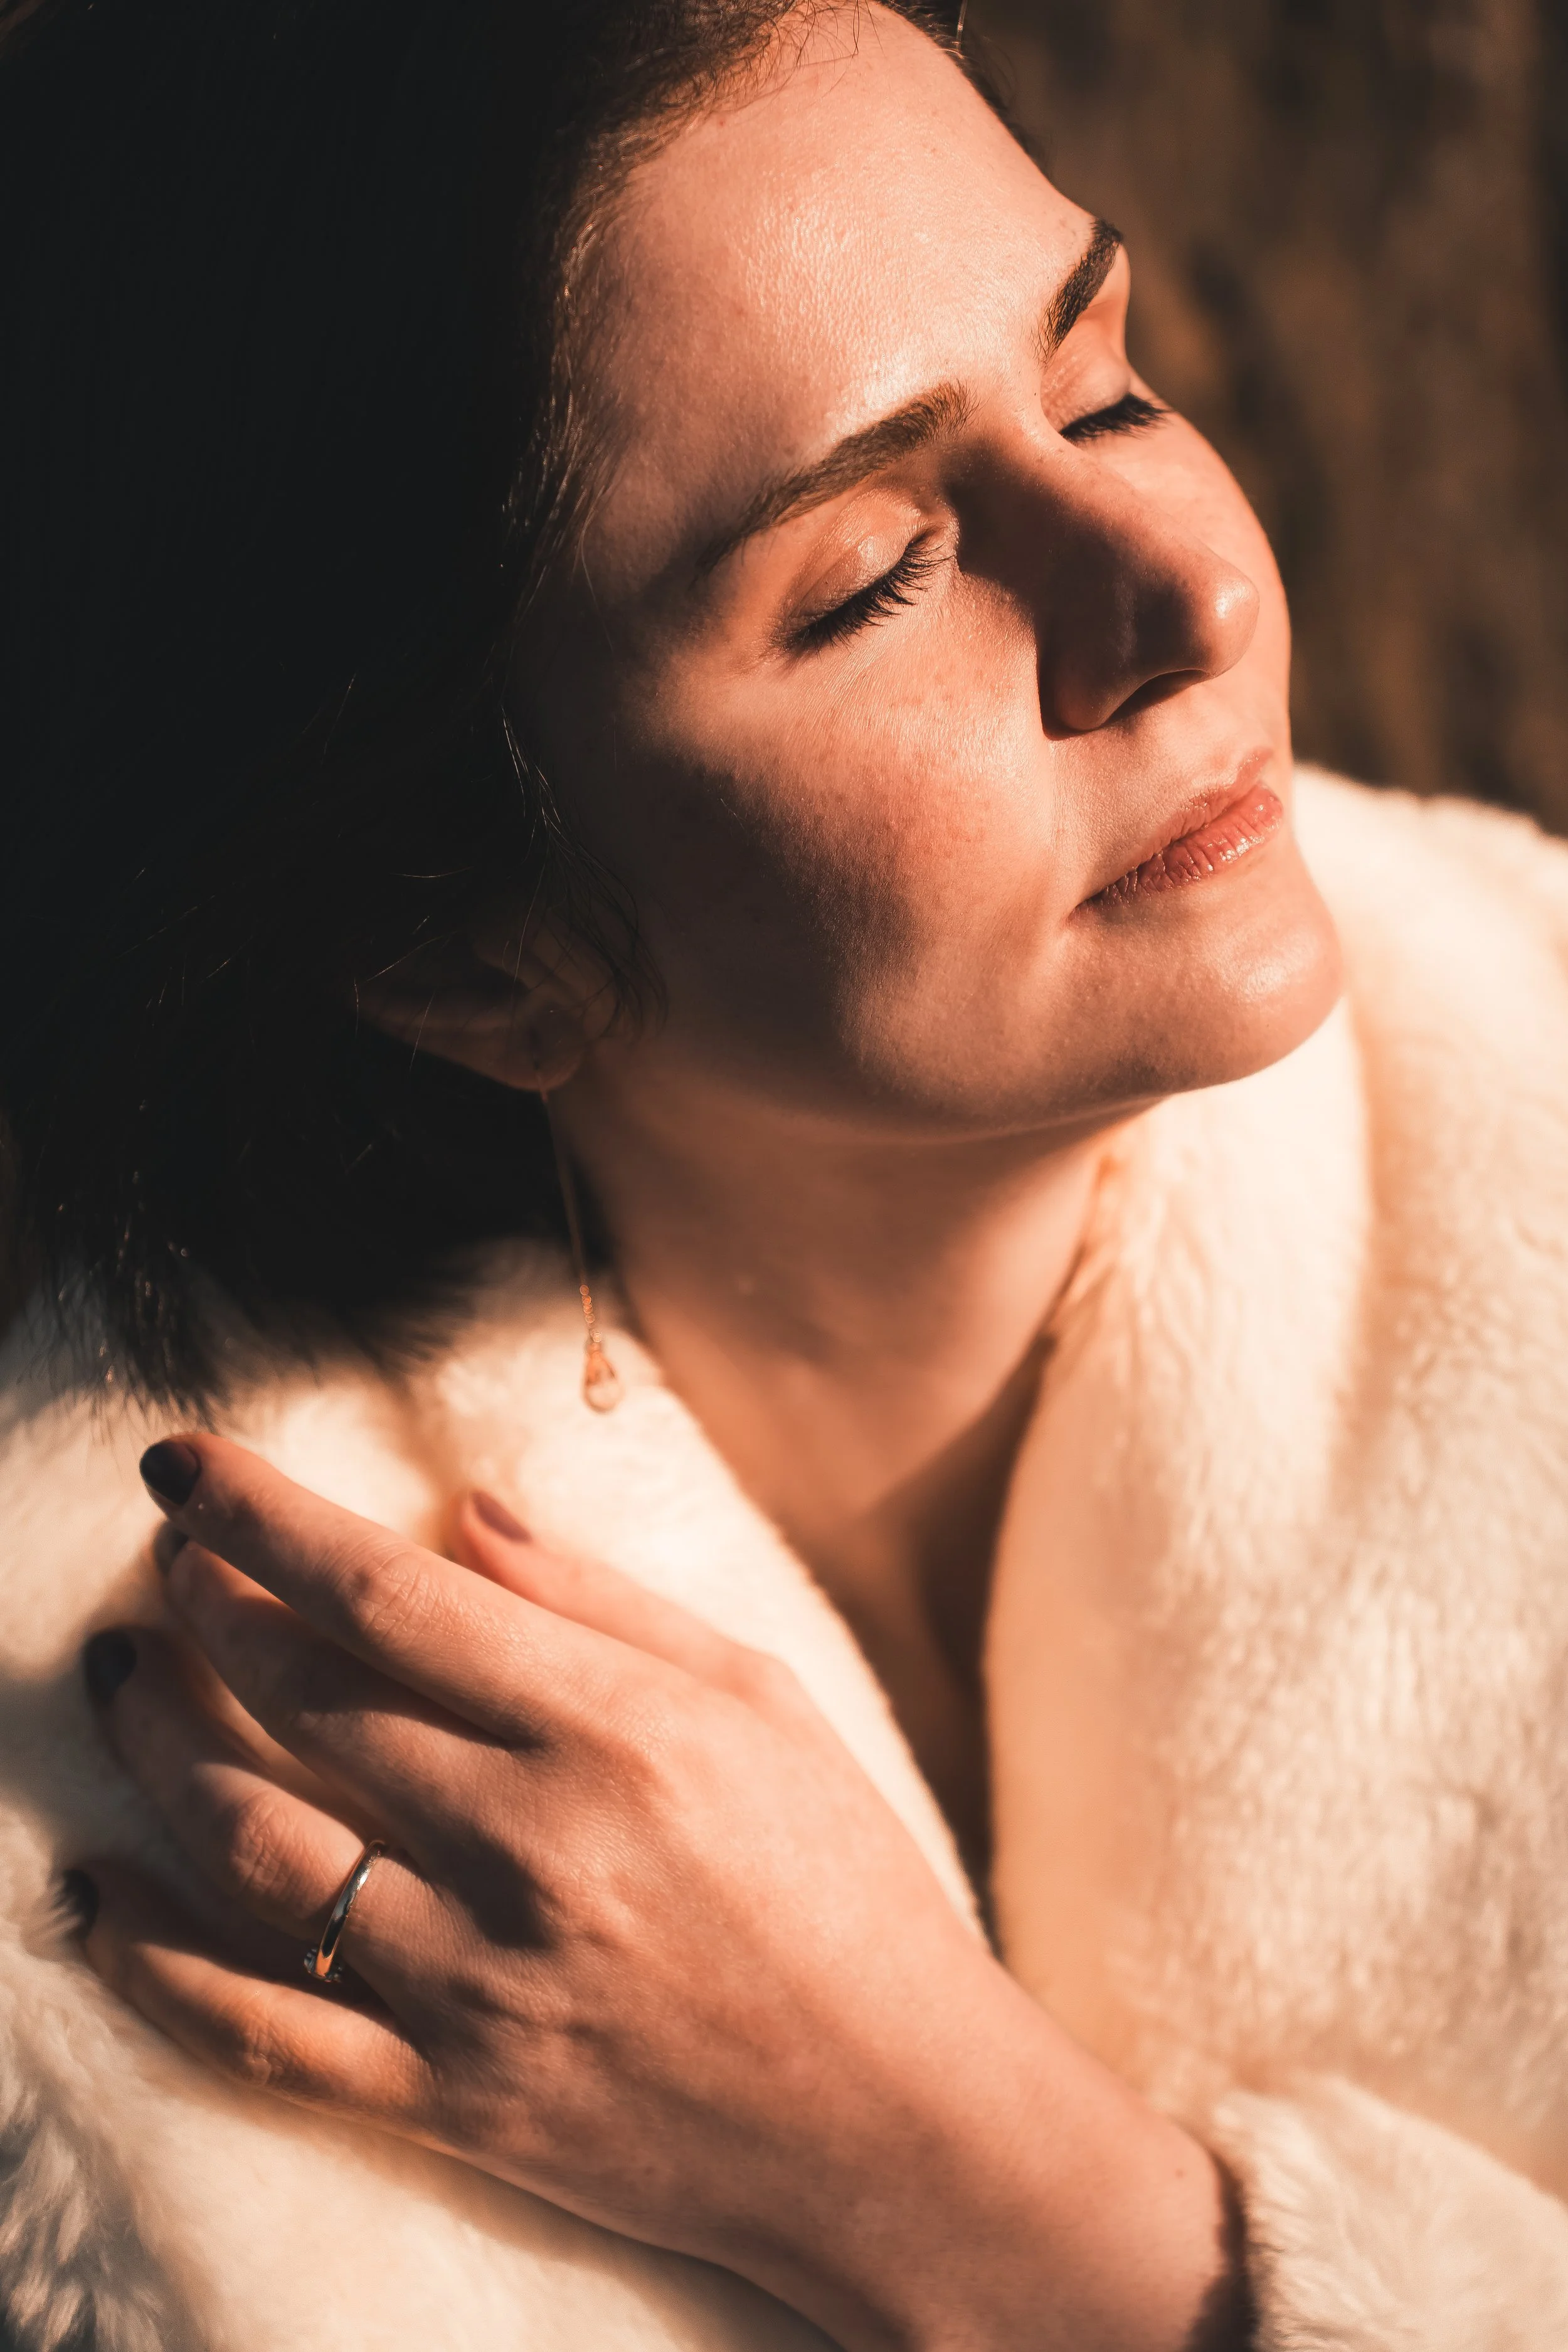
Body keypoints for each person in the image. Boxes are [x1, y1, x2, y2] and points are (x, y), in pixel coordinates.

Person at [3, 0, 1567, 2346]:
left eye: (1105, 380)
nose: (1186, 596)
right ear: (463, 952)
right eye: (877, 577)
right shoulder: (114, 1819)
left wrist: (966, 2192)